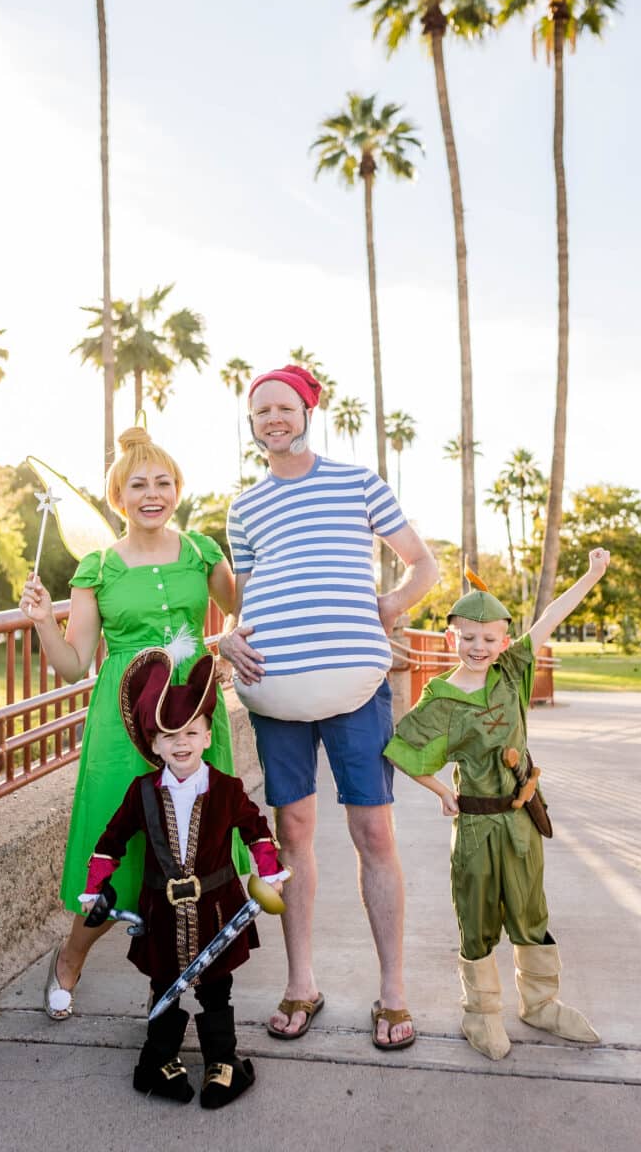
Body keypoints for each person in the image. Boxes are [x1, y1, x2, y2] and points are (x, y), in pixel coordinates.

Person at [218, 364, 438, 1050]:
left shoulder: (356, 483)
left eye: (283, 407)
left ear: (306, 410)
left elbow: (422, 564)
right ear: (251, 425)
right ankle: (300, 984)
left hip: (354, 689)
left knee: (373, 835)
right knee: (294, 837)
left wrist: (389, 610)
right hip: (277, 692)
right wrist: (225, 640)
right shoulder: (243, 508)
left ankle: (393, 993)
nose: (273, 420)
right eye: (261, 413)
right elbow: (244, 602)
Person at [19, 425, 247, 1020]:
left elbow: (249, 609)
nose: (153, 494)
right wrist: (44, 620)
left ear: (178, 489)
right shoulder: (97, 568)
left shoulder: (203, 553)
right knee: (118, 850)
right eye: (139, 484)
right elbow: (71, 666)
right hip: (123, 726)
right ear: (118, 497)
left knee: (196, 850)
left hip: (193, 715)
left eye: (164, 482)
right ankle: (70, 958)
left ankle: (169, 984)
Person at [383, 550, 611, 1060]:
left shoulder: (511, 671)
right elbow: (401, 750)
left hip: (522, 818)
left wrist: (592, 575)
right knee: (478, 915)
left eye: (488, 639)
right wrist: (443, 790)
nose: (478, 647)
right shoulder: (439, 698)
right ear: (451, 638)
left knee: (531, 909)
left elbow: (550, 617)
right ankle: (481, 1015)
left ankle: (541, 1002)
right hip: (477, 826)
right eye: (467, 638)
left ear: (504, 641)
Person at [80, 648, 286, 1107]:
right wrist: (94, 887)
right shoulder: (142, 793)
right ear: (153, 744)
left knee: (217, 988)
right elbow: (111, 840)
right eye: (169, 735)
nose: (181, 743)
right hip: (161, 913)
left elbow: (257, 832)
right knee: (163, 986)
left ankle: (223, 1062)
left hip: (218, 911)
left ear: (208, 736)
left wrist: (269, 872)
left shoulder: (227, 789)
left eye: (191, 732)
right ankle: (158, 1060)